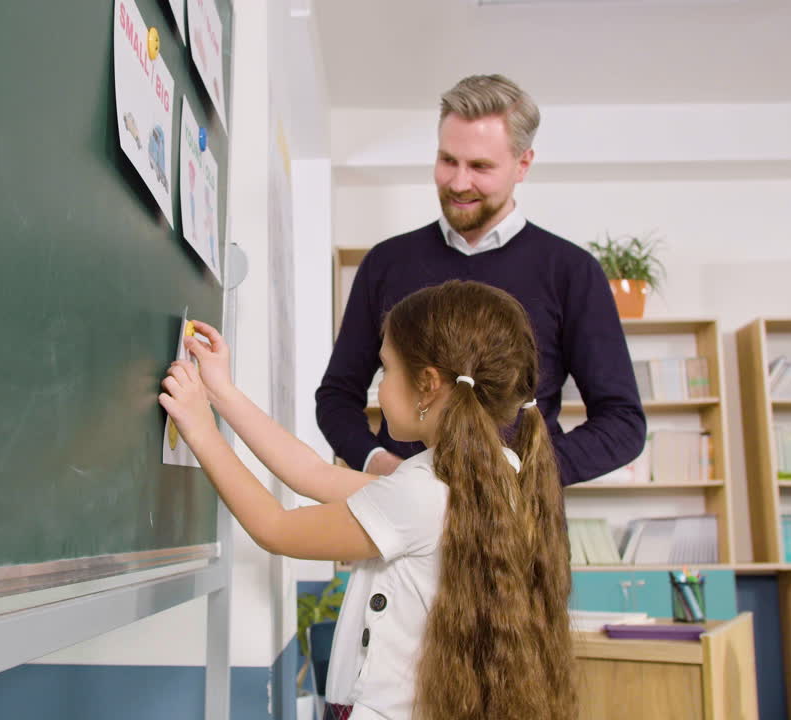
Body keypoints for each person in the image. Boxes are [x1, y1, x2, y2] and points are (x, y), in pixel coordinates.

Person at [160, 281, 575, 720]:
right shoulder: (488, 473)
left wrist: (202, 431)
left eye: (386, 369)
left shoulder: (421, 493)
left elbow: (276, 529)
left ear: (428, 384)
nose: (380, 386)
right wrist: (222, 392)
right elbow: (313, 475)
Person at [316, 74, 645, 486]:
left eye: (480, 167)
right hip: (400, 514)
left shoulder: (572, 271)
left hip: (521, 531)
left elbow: (623, 424)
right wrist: (379, 463)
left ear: (522, 164)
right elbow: (335, 397)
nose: (458, 183)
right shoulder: (385, 263)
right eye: (448, 160)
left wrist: (512, 475)